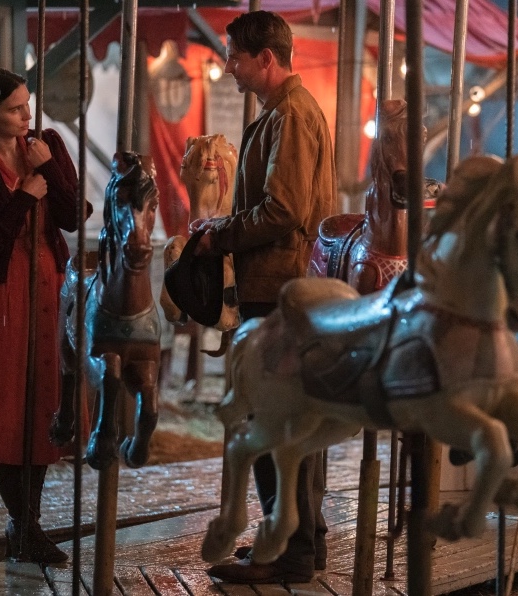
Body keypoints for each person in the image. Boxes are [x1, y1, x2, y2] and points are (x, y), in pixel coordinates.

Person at [194, 10, 337, 584]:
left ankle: (289, 548)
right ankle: (302, 539)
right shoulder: (281, 113)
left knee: (275, 417)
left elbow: (284, 211)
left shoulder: (291, 116)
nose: (228, 66)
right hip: (278, 286)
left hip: (279, 289)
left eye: (235, 55)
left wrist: (220, 235)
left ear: (266, 60)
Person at [0, 66, 91, 564]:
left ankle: (27, 526)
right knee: (8, 405)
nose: (26, 116)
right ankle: (22, 524)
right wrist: (23, 196)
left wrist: (48, 169)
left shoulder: (46, 142)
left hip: (51, 284)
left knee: (44, 398)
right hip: (1, 292)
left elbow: (76, 215)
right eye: (14, 109)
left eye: (27, 105)